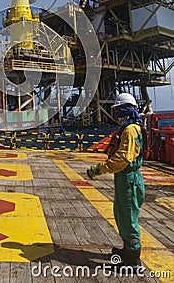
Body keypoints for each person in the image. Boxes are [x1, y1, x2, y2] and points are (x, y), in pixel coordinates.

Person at [86, 93, 145, 270]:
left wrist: (99, 169)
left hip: (129, 178)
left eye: (118, 110)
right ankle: (128, 250)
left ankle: (132, 260)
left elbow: (122, 159)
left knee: (127, 217)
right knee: (122, 214)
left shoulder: (130, 129)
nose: (117, 114)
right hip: (125, 177)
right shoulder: (133, 127)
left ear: (124, 110)